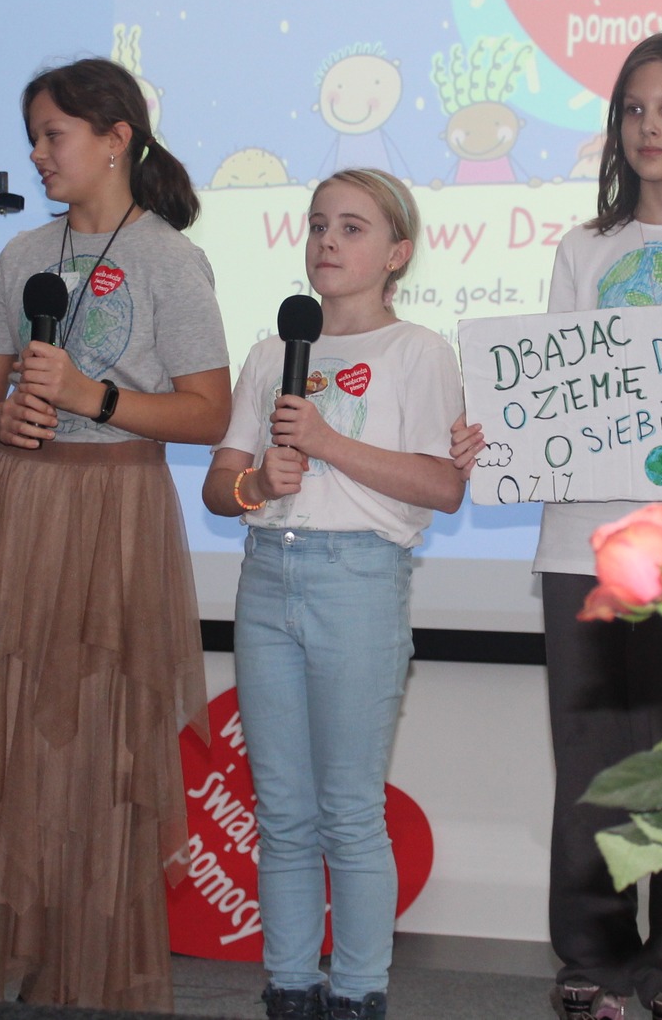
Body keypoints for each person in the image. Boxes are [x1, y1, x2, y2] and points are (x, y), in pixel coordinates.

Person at [0, 58, 230, 1008]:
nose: (37, 153)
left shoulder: (171, 259)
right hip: (14, 507)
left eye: (53, 134)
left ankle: (76, 979)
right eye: (33, 137)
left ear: (116, 139)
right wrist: (1, 416)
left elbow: (209, 411)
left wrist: (93, 397)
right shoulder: (24, 254)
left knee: (94, 746)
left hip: (115, 517)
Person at [457, 31, 662, 1020]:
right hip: (583, 545)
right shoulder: (583, 247)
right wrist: (503, 428)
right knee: (592, 764)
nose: (651, 128)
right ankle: (593, 959)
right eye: (635, 110)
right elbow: (552, 390)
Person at [203, 169, 465, 1020]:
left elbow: (441, 484)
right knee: (281, 809)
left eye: (352, 227)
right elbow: (219, 483)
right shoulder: (271, 353)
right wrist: (253, 486)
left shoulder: (418, 351)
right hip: (266, 573)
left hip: (359, 578)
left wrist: (323, 441)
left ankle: (357, 993)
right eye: (319, 223)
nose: (327, 240)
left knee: (349, 810)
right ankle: (289, 986)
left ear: (397, 253)